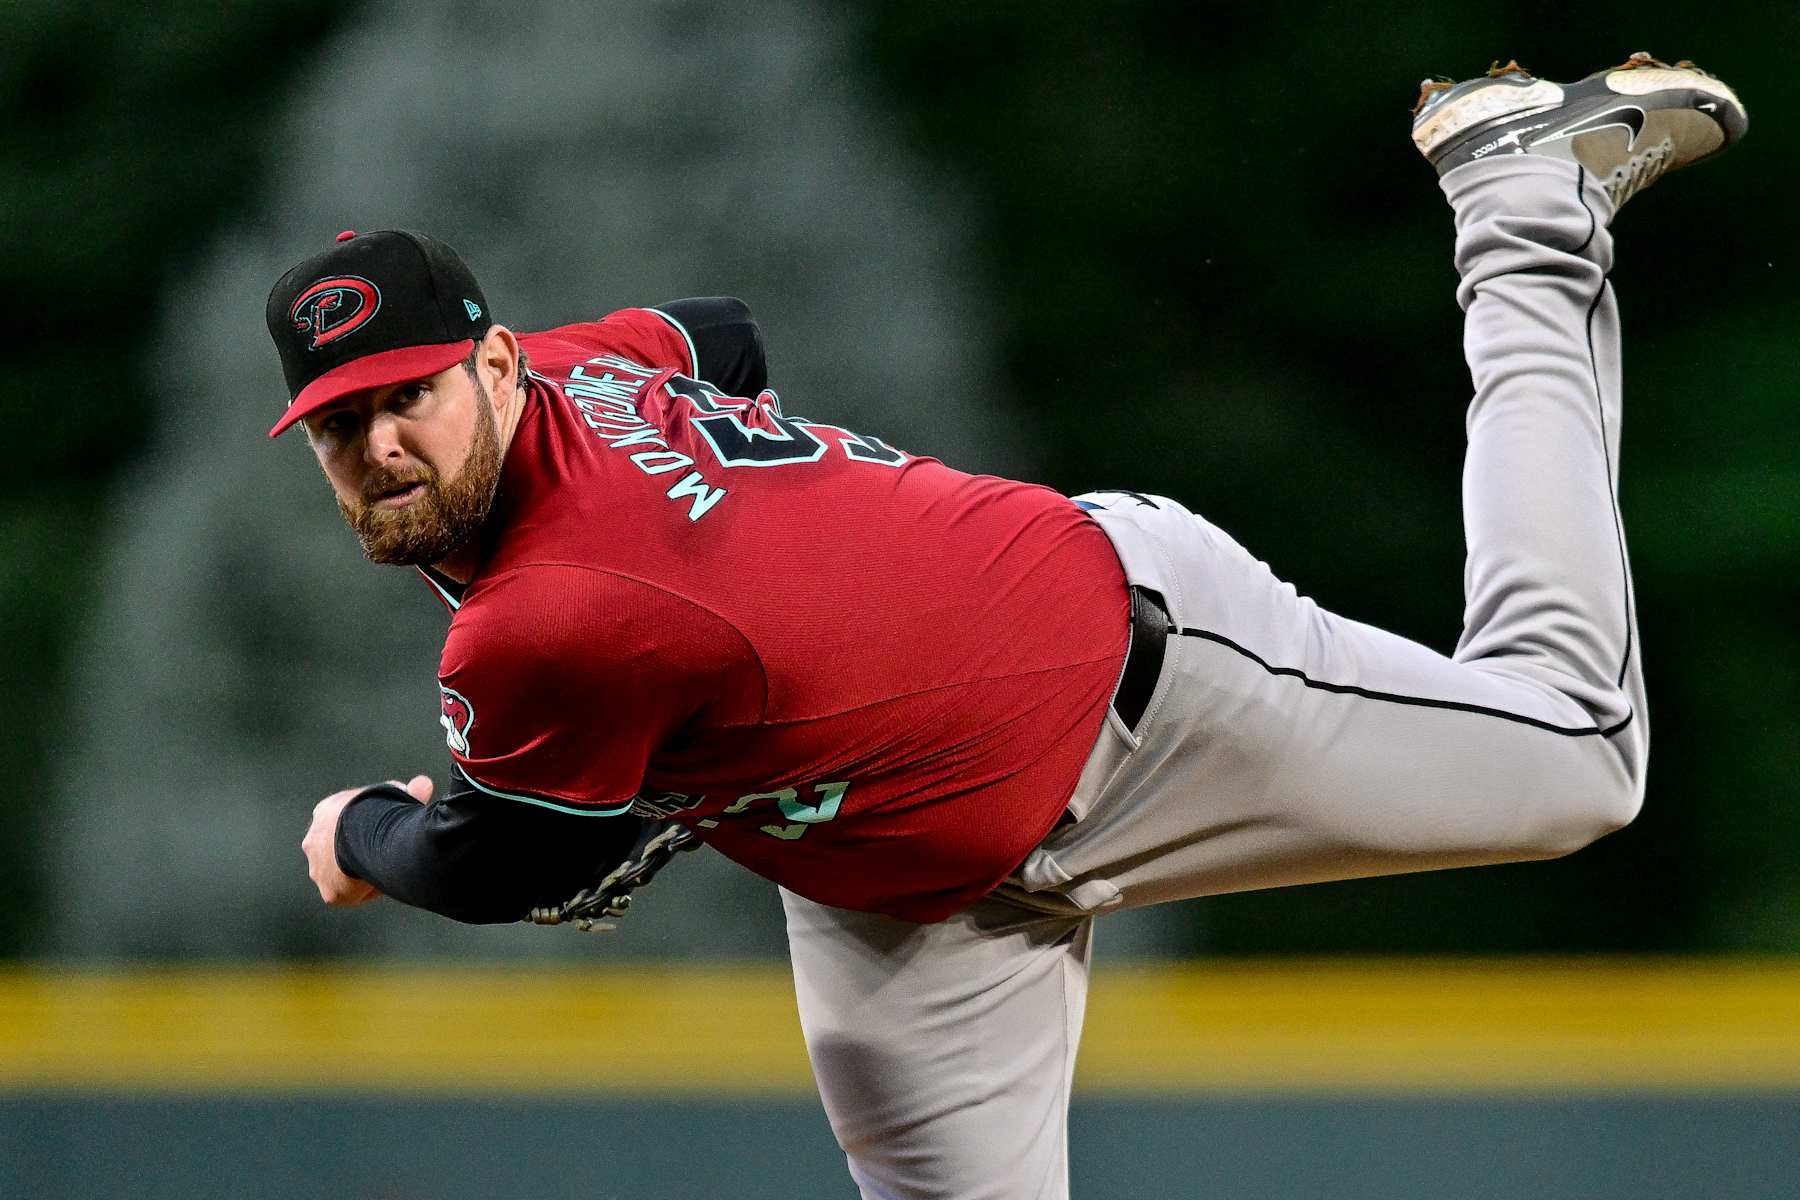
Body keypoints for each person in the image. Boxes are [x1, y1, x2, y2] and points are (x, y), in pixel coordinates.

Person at [275, 53, 1744, 1200]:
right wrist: (808, 596)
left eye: (407, 394)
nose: (381, 443)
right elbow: (714, 333)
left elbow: (504, 864)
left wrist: (356, 833)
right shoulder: (583, 381)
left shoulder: (547, 616)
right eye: (340, 424)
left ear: (497, 362)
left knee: (1580, 757)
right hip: (901, 894)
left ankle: (1521, 202)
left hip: (1141, 695)